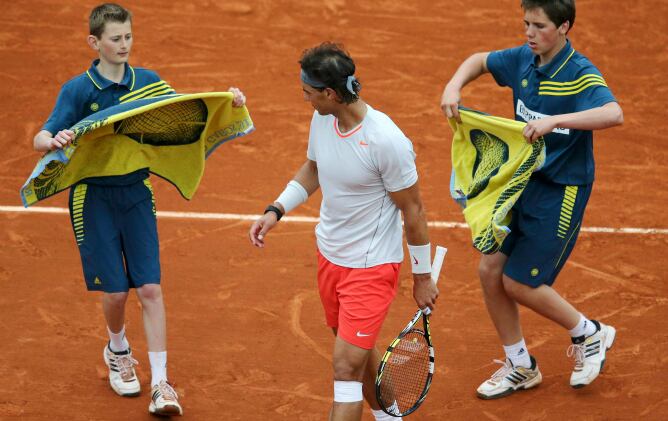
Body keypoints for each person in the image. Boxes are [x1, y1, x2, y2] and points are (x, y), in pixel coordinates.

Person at [32, 3, 246, 416]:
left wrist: (230, 101)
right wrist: (51, 141)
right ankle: (117, 348)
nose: (124, 45)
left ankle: (162, 383)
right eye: (116, 39)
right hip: (92, 199)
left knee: (149, 288)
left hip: (136, 195)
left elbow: (186, 114)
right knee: (115, 292)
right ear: (95, 43)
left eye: (128, 36)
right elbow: (42, 135)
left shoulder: (147, 83)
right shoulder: (78, 90)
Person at [440, 0, 623, 399]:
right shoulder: (524, 60)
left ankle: (590, 334)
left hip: (561, 189)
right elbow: (479, 60)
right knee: (490, 272)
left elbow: (613, 113)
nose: (529, 32)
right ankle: (520, 365)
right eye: (526, 23)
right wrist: (454, 85)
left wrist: (557, 120)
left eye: (538, 26)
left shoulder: (578, 73)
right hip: (521, 182)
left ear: (564, 27)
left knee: (519, 283)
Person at [249, 42, 439, 421]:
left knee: (344, 371)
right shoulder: (323, 118)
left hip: (370, 270)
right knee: (359, 354)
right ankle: (390, 416)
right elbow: (314, 168)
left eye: (308, 92)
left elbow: (414, 211)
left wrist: (421, 277)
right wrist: (276, 208)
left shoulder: (386, 141)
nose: (305, 98)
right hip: (330, 260)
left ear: (330, 93)